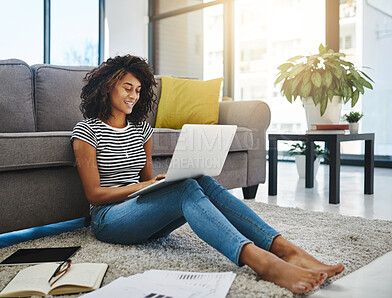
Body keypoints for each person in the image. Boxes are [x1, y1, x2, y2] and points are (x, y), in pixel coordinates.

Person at [71, 54, 344, 294]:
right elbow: (94, 194)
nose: (134, 95)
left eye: (139, 90)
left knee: (197, 180)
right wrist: (146, 186)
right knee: (184, 190)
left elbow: (146, 179)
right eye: (127, 88)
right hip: (108, 220)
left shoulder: (142, 130)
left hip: (141, 214)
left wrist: (154, 184)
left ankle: (286, 250)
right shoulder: (86, 132)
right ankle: (263, 263)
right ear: (108, 88)